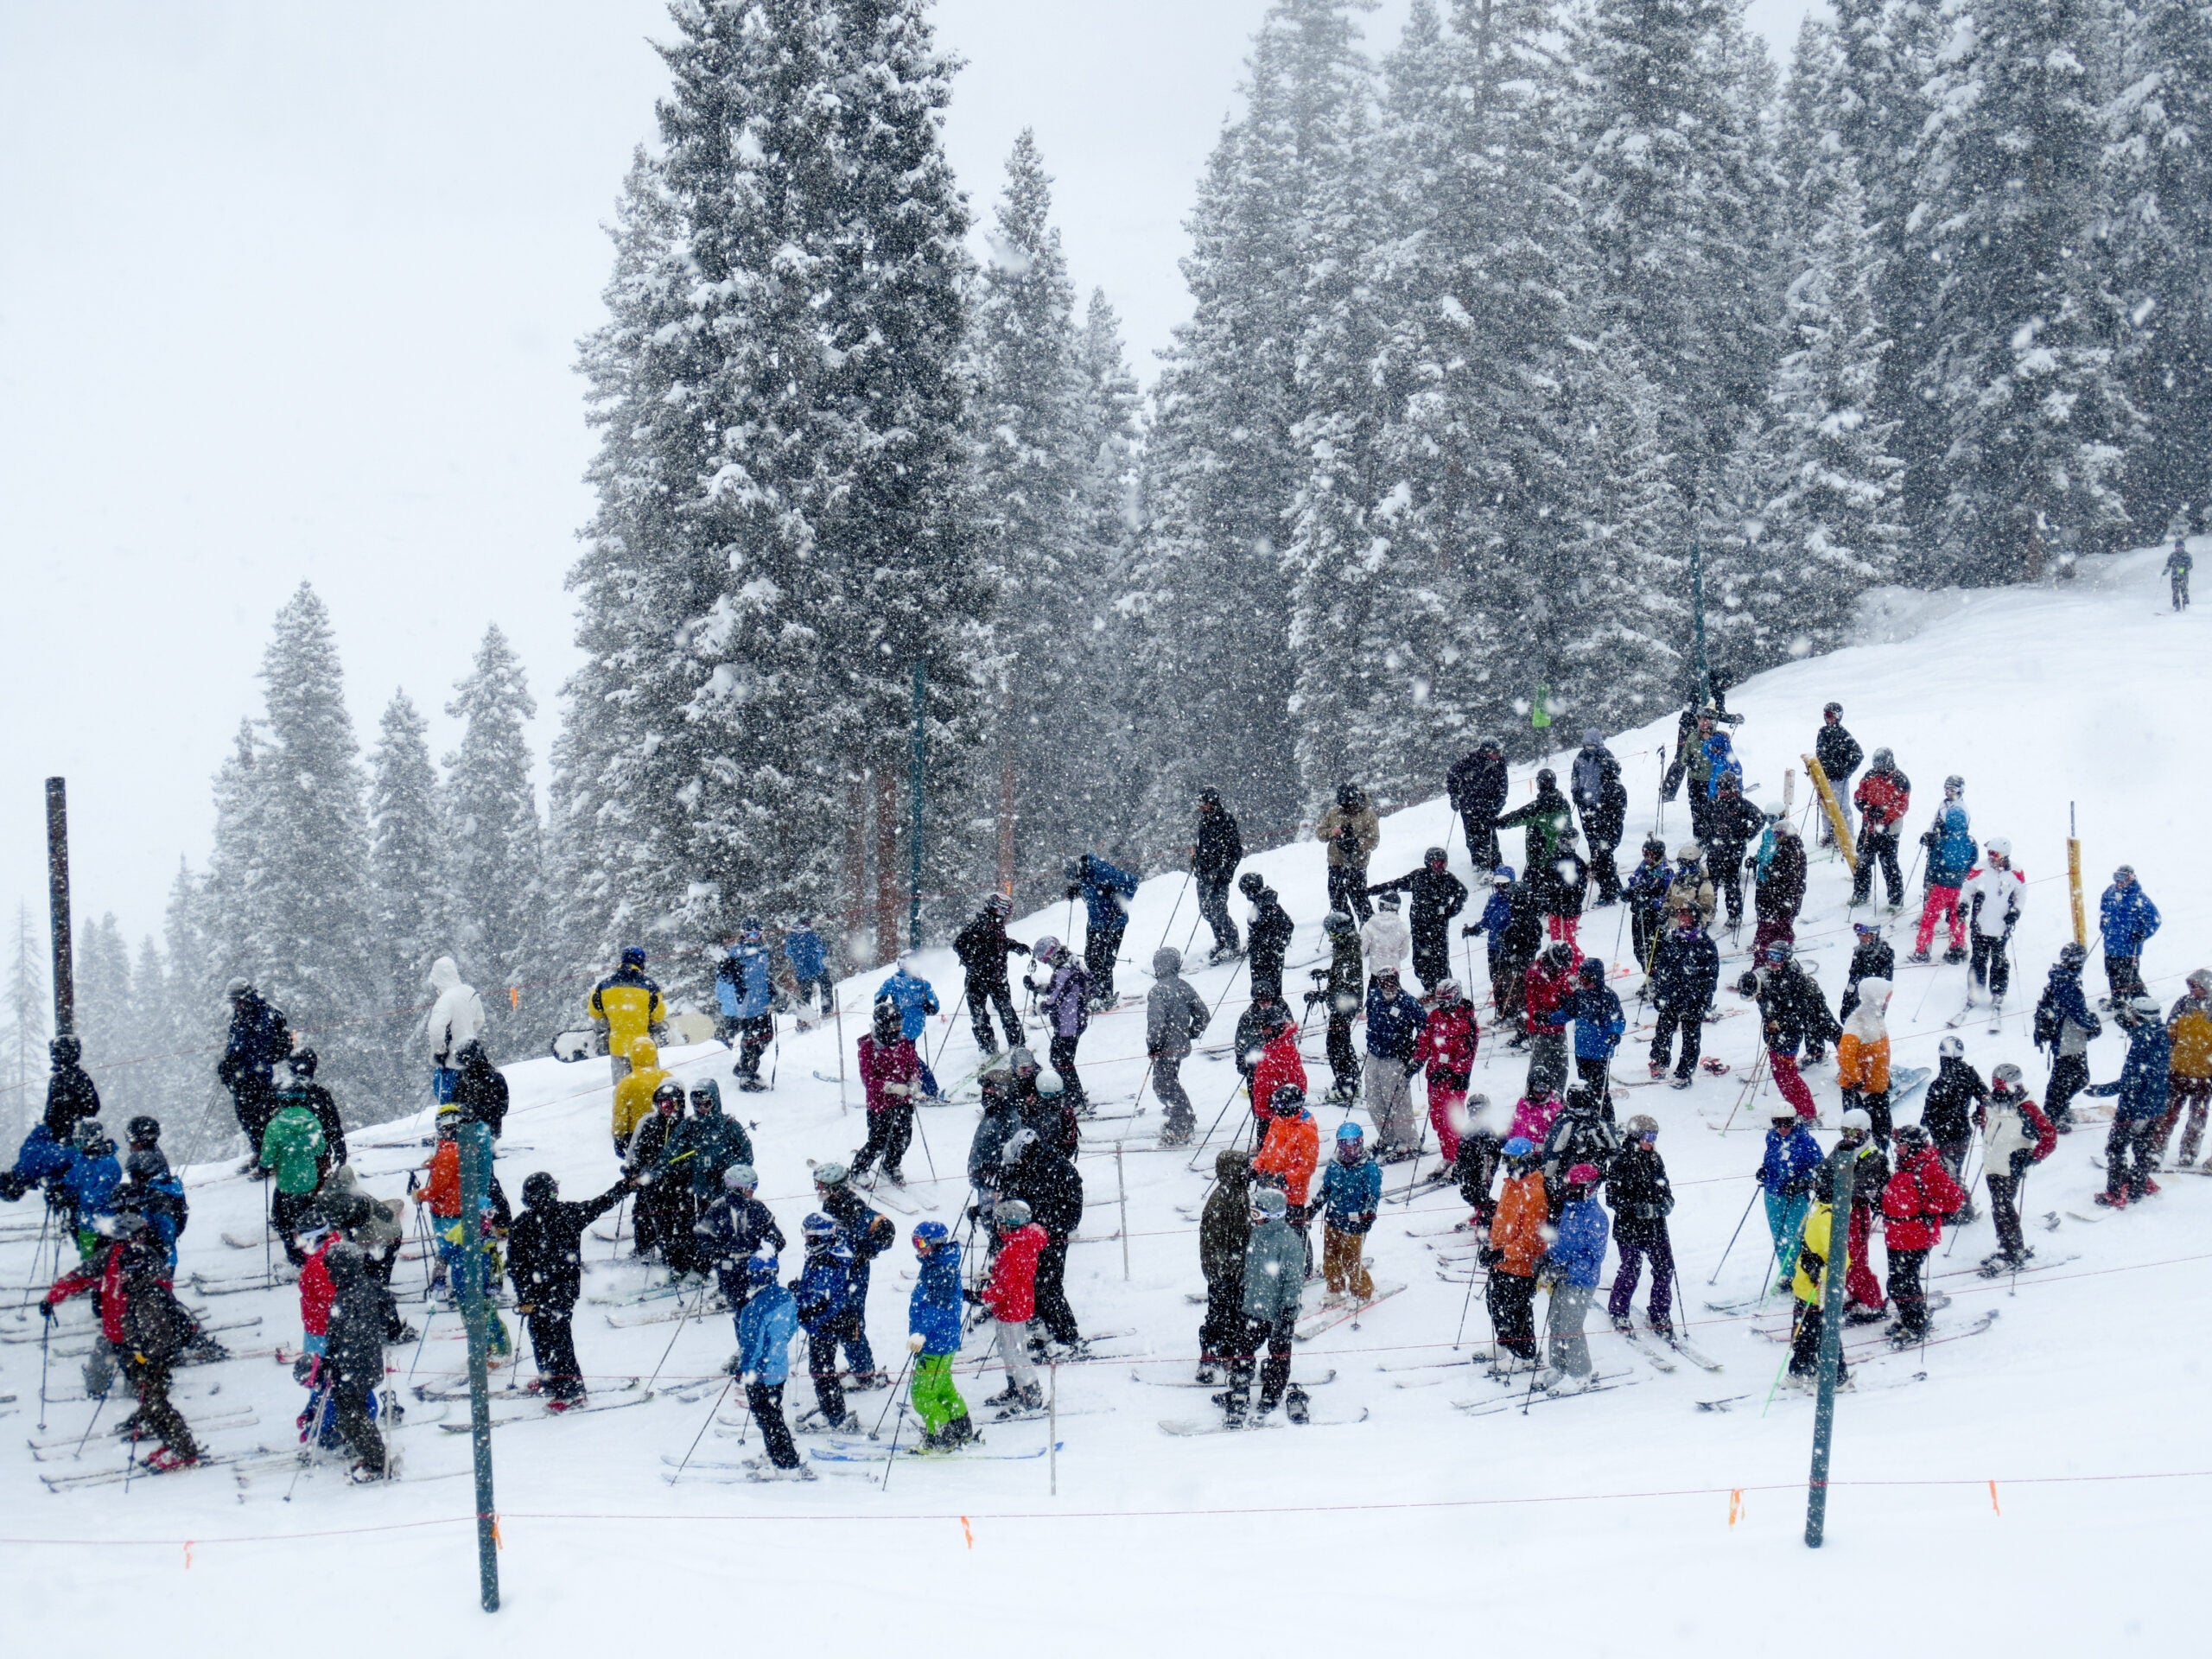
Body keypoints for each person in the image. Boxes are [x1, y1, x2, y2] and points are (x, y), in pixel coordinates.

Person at [509, 1169, 630, 1406]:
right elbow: (601, 1203)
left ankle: (571, 1390)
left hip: (550, 1293)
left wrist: (524, 1296)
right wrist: (625, 1186)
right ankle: (551, 1379)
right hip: (557, 1292)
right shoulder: (567, 1214)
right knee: (548, 1337)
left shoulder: (524, 1224)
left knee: (554, 1339)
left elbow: (517, 1268)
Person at [1223, 1185, 1307, 1426]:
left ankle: (1272, 1393)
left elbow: (1293, 1279)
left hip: (1278, 1311)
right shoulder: (1257, 1235)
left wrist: (1289, 1308)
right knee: (1243, 1348)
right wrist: (1244, 1289)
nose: (1253, 1219)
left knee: (1279, 1353)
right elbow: (1252, 1267)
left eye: (1257, 1215)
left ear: (1272, 1216)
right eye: (1252, 1214)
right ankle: (1239, 1389)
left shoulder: (1288, 1242)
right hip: (1254, 1307)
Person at [997, 1128, 1084, 1351]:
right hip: (1030, 1239)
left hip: (1051, 1240)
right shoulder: (1028, 1167)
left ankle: (1067, 1336)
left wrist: (1044, 1226)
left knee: (1049, 1288)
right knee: (1033, 1285)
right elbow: (1014, 1196)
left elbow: (1071, 1212)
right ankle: (1047, 1328)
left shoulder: (1056, 1168)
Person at [813, 1161, 897, 1389]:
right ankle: (860, 1367)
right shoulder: (832, 1204)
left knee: (850, 1321)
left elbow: (886, 1228)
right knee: (840, 1317)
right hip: (839, 1270)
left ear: (837, 1187)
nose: (818, 1190)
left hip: (853, 1274)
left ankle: (863, 1373)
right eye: (817, 1185)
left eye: (822, 1186)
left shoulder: (851, 1205)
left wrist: (866, 1251)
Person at [693, 1164, 785, 1371]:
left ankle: (761, 1349)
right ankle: (746, 1348)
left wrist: (768, 1250)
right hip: (729, 1270)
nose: (753, 1192)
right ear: (738, 1188)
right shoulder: (719, 1208)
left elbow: (776, 1238)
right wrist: (717, 1253)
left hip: (755, 1271)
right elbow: (703, 1237)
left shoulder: (757, 1208)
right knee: (740, 1312)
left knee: (759, 1312)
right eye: (751, 1188)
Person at [2087, 992, 2172, 1207]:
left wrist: (2102, 1091)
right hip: (2155, 1104)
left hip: (2134, 1106)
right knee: (2142, 1148)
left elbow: (2131, 1081)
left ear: (2138, 1016)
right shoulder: (2162, 1035)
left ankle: (2115, 1193)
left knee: (2116, 1148)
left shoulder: (2142, 1041)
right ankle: (2138, 1183)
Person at [1881, 1122, 1965, 1343]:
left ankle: (1916, 1324)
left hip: (1916, 1236)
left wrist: (1928, 1208)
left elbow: (1955, 1199)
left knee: (1903, 1282)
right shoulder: (1906, 1165)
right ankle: (1911, 1316)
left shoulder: (1928, 1168)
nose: (1897, 1148)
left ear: (1912, 1146)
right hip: (1897, 1236)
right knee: (1897, 1282)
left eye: (1901, 1145)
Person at [731, 1253, 807, 1476]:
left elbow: (751, 1345)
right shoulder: (786, 1297)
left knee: (766, 1418)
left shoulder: (754, 1308)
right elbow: (792, 1328)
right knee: (773, 1413)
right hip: (778, 1368)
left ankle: (785, 1462)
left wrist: (745, 1370)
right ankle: (777, 1452)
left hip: (760, 1373)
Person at [1535, 1163, 1608, 1394]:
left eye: (1578, 1188)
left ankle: (1580, 1373)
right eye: (1571, 1186)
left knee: (1571, 1326)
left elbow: (1594, 1257)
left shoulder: (1596, 1217)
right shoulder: (1570, 1209)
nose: (1572, 1191)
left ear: (1591, 1188)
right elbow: (1562, 1242)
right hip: (1561, 1276)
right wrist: (1548, 1258)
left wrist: (1569, 1271)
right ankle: (1559, 1366)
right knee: (1556, 1321)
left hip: (1582, 1281)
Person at [1976, 1065, 2056, 1274]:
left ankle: (2012, 1252)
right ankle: (2009, 1248)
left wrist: (2032, 1157)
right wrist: (1980, 1120)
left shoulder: (2026, 1106)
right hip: (1993, 1163)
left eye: (2001, 1086)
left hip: (2010, 1165)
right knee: (2000, 1207)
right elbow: (1990, 1126)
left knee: (2003, 1207)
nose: (1999, 1090)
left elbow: (2049, 1135)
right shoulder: (1992, 1101)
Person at [1751, 941, 1839, 1123]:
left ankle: (1807, 1114)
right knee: (1781, 1074)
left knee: (1787, 1076)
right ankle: (1797, 1108)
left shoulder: (1795, 980)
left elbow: (1800, 1014)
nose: (1772, 961)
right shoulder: (1769, 976)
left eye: (1777, 957)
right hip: (1774, 1036)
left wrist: (1779, 1022)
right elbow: (1765, 1003)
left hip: (1787, 1036)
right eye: (1770, 956)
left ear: (1786, 958)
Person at [1605, 1117, 1675, 1340]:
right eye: (1648, 1137)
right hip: (1630, 1228)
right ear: (1637, 1137)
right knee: (1631, 1269)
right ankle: (1618, 1310)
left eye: (1655, 1137)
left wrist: (1665, 1204)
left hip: (1655, 1226)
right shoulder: (1621, 1160)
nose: (1652, 1142)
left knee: (1665, 1268)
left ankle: (1659, 1313)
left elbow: (1665, 1189)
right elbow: (1612, 1198)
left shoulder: (1655, 1158)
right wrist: (1637, 1208)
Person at [906, 1221, 973, 1452]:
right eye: (914, 1242)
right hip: (944, 1339)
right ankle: (961, 1431)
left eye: (922, 1242)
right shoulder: (938, 1263)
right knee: (943, 1389)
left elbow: (938, 1307)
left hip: (935, 1342)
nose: (918, 1248)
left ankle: (941, 1439)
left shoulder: (941, 1268)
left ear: (935, 1244)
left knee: (923, 1395)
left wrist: (921, 1333)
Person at [1479, 1138, 1547, 1370]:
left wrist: (1502, 1254)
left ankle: (1524, 1355)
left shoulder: (1535, 1194)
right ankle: (1504, 1343)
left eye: (1514, 1160)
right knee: (1495, 1303)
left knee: (1517, 1312)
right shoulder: (1510, 1184)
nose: (1509, 1165)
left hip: (1521, 1267)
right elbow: (1504, 1218)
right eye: (1506, 1159)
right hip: (1502, 1260)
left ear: (1527, 1160)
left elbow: (1531, 1241)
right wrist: (1491, 1244)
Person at [791, 1213, 859, 1431]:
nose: (807, 1241)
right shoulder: (822, 1256)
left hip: (827, 1323)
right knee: (821, 1367)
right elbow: (814, 1289)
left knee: (821, 1368)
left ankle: (835, 1415)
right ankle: (830, 1407)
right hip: (823, 1321)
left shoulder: (828, 1262)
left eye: (811, 1237)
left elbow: (821, 1298)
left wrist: (803, 1308)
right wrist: (800, 1289)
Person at [217, 980, 292, 1173]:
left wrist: (248, 1059)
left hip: (264, 1077)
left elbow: (273, 1047)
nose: (236, 1005)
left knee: (265, 1118)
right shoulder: (239, 1016)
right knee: (246, 1116)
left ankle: (273, 1157)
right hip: (243, 1077)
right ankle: (259, 1153)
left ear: (247, 997)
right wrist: (228, 1063)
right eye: (233, 1002)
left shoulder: (267, 1014)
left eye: (238, 1001)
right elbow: (235, 1043)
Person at [978, 1197, 1045, 1411]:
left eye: (999, 1223)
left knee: (1015, 1352)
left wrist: (979, 1296)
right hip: (1017, 1303)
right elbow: (1013, 1278)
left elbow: (1003, 1290)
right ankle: (1016, 1388)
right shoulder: (1022, 1243)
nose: (997, 1227)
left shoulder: (1012, 1251)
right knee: (1007, 1349)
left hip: (1012, 1309)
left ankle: (1031, 1395)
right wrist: (992, 1276)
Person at [1824, 1109, 1891, 1322]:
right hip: (1838, 1209)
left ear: (1865, 1132)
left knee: (1855, 1258)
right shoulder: (1843, 1148)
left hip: (1856, 1210)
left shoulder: (1873, 1155)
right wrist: (1818, 1178)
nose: (1849, 1137)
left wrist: (1833, 1186)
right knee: (1839, 1256)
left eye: (1854, 1133)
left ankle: (1872, 1302)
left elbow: (1860, 1186)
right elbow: (1826, 1168)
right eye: (1845, 1132)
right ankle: (1855, 1293)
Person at [1784, 1184, 1848, 1389]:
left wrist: (1819, 1270)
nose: (1814, 1186)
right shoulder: (1820, 1209)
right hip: (1805, 1285)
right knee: (1804, 1331)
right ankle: (1803, 1369)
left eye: (1819, 1183)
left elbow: (1842, 1260)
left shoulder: (1829, 1216)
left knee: (1822, 1331)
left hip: (1818, 1287)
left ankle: (1838, 1377)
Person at [1362, 968, 1429, 1160]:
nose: (1388, 985)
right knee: (1374, 1100)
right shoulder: (1374, 998)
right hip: (1374, 1055)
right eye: (1384, 981)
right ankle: (1387, 1137)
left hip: (1395, 1058)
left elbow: (1425, 1029)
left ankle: (1408, 1141)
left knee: (1398, 1102)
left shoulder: (1407, 1002)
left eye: (1391, 981)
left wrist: (1414, 1053)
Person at [260, 1080, 330, 1267]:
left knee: (282, 1221)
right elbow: (320, 1148)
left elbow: (268, 1157)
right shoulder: (312, 1121)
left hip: (287, 1184)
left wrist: (265, 1165)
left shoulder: (275, 1125)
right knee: (310, 1220)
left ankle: (296, 1258)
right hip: (309, 1181)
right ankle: (313, 1255)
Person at [1253, 1084, 1320, 1274]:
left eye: (1280, 1104)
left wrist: (1286, 1179)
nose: (1276, 1108)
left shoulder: (1306, 1131)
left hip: (1293, 1194)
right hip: (1271, 1189)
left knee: (1296, 1231)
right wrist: (1256, 1168)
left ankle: (1304, 1269)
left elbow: (1308, 1166)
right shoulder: (1278, 1121)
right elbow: (1266, 1151)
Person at [1146, 947, 1211, 1145]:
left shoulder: (1158, 991)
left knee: (1164, 1086)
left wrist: (1154, 1045)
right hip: (1180, 1045)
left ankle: (1182, 1123)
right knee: (1169, 1081)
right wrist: (1191, 1032)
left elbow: (1156, 1023)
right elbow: (1203, 1014)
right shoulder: (1183, 986)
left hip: (1165, 1047)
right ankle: (1182, 1117)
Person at [1648, 906, 1719, 1088]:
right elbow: (1662, 968)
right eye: (1679, 914)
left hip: (1693, 998)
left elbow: (1711, 976)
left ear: (1694, 918)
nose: (1681, 918)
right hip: (1671, 995)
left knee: (1691, 1037)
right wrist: (1659, 992)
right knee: (1663, 1030)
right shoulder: (1672, 939)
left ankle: (1685, 1071)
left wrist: (1705, 1001)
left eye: (1685, 915)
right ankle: (1660, 1061)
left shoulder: (1705, 943)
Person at [1198, 1148, 1252, 1383]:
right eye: (1243, 1167)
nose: (1248, 1172)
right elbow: (1212, 1242)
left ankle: (1229, 1351)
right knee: (1219, 1312)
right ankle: (1210, 1353)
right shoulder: (1221, 1200)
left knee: (1236, 1313)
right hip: (1223, 1271)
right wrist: (1223, 1269)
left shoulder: (1239, 1193)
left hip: (1237, 1268)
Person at [852, 999, 921, 1185]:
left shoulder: (904, 1042)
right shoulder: (868, 1046)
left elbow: (913, 1065)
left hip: (903, 1100)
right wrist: (890, 1087)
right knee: (878, 1141)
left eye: (898, 1025)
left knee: (903, 1138)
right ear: (881, 1025)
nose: (896, 1030)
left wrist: (914, 1081)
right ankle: (858, 1170)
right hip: (880, 1104)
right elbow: (868, 1078)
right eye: (891, 1026)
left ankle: (891, 1165)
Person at [2034, 942, 2101, 1133]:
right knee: (2073, 1078)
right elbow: (2077, 1012)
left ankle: (2057, 1109)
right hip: (2068, 1039)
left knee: (2068, 1077)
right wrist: (2093, 1025)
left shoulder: (2062, 977)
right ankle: (2054, 1114)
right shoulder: (2068, 982)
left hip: (2066, 1037)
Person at [1909, 776, 1975, 963]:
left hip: (1942, 882)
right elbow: (1972, 862)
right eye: (1946, 788)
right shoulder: (1970, 841)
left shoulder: (1960, 809)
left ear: (1961, 790)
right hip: (1958, 884)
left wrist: (1931, 880)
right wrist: (1930, 833)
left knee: (1930, 917)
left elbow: (1936, 863)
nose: (1948, 791)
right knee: (1957, 916)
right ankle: (1957, 947)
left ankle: (1922, 950)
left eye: (1953, 789)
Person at [626, 1081, 692, 1269]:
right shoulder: (649, 1124)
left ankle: (674, 1253)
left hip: (678, 1184)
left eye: (672, 1104)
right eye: (663, 1104)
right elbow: (637, 1151)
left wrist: (680, 1171)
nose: (667, 1109)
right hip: (650, 1182)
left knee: (675, 1219)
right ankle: (644, 1247)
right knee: (643, 1214)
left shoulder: (686, 1126)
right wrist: (633, 1169)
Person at [1758, 1108, 1825, 1287]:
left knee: (1795, 1236)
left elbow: (1821, 1170)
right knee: (1779, 1235)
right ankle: (1787, 1274)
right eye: (1777, 1123)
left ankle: (1800, 1274)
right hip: (1773, 1193)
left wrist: (1803, 1182)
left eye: (1786, 1122)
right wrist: (1764, 1171)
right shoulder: (1772, 1138)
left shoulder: (1806, 1142)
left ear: (1794, 1121)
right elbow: (1772, 1161)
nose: (1782, 1128)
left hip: (1795, 1197)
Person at [953, 894, 1028, 1055]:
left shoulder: (997, 924)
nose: (1009, 915)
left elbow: (998, 944)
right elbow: (959, 945)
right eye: (1008, 911)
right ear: (998, 909)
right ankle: (988, 1048)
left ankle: (1017, 1045)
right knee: (980, 1016)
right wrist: (972, 962)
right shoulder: (981, 924)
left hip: (997, 978)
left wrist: (1015, 946)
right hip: (977, 979)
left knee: (1006, 1012)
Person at [1317, 1122, 1382, 1306]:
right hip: (1334, 1216)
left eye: (1353, 1142)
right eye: (1344, 1143)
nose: (1349, 1147)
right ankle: (1335, 1288)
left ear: (1360, 1142)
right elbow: (1327, 1188)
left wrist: (1368, 1214)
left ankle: (1362, 1291)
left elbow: (1373, 1194)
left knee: (1351, 1258)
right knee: (1330, 1254)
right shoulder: (1335, 1164)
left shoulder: (1368, 1167)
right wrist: (1314, 1206)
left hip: (1355, 1219)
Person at [1026, 937, 1092, 1114]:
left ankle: (1074, 1098)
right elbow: (1060, 989)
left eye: (1046, 960)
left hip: (1069, 1024)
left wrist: (1039, 1008)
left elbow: (1055, 999)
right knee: (1061, 1059)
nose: (1047, 964)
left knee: (1061, 1060)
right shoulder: (1072, 963)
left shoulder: (1065, 970)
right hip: (1074, 1020)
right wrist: (1038, 987)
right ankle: (1073, 1093)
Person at [1065, 852, 1139, 1007]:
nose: (1078, 880)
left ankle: (1104, 995)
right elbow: (1089, 887)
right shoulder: (1084, 875)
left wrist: (1118, 897)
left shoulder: (1101, 870)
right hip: (1095, 922)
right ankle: (1094, 995)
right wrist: (1077, 889)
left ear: (1080, 868)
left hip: (1113, 923)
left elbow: (1132, 881)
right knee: (1092, 960)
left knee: (1105, 962)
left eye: (1077, 877)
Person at [1416, 978, 1478, 1162]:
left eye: (1446, 1001)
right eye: (1440, 1002)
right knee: (1437, 1119)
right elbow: (1425, 1040)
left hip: (1455, 1081)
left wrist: (1451, 1070)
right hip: (1435, 1077)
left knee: (1451, 1122)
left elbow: (1468, 1056)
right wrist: (1418, 1059)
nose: (1442, 1006)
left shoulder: (1467, 1022)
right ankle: (1448, 1157)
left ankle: (1457, 1159)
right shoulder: (1435, 1017)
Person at [1308, 909, 1365, 1103]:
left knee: (1336, 1046)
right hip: (1344, 1004)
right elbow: (1342, 975)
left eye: (1332, 933)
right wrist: (1328, 974)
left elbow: (1346, 984)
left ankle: (1346, 1086)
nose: (1330, 938)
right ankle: (1351, 1081)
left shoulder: (1347, 949)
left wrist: (1323, 995)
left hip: (1344, 1006)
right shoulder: (1346, 944)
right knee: (1342, 1043)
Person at [1921, 1035, 1986, 1201]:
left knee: (1947, 1174)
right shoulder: (1969, 1073)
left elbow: (1928, 1113)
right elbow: (1986, 1097)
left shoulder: (1939, 1083)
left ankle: (1958, 1208)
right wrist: (1980, 1111)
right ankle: (1959, 1205)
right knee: (1953, 1171)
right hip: (1961, 1131)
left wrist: (1921, 1133)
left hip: (1943, 1134)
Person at [1962, 837, 2024, 1010]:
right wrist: (1963, 904)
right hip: (1980, 924)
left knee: (1999, 960)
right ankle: (1975, 991)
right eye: (1989, 853)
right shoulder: (1979, 869)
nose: (1991, 858)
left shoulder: (2016, 872)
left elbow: (2021, 895)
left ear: (2004, 855)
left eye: (1994, 854)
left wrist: (2015, 912)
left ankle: (1998, 992)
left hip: (2001, 926)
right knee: (1978, 959)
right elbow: (1967, 889)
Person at [588, 946, 665, 1083]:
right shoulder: (650, 986)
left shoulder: (603, 986)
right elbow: (658, 1016)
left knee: (623, 1091)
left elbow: (594, 1012)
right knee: (650, 1087)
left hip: (618, 1047)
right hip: (644, 1047)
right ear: (641, 963)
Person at [1835, 976, 1894, 1145]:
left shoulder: (1876, 1017)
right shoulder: (1857, 1021)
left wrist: (1883, 1077)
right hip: (1861, 1092)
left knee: (1883, 1132)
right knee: (1862, 1140)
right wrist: (1857, 1079)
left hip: (1877, 1088)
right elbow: (1845, 1054)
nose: (1887, 1001)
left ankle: (1879, 1167)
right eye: (1886, 997)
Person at [1703, 775, 1765, 937]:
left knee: (1731, 885)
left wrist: (1746, 836)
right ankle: (1709, 912)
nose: (1722, 792)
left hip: (1733, 851)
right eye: (1720, 788)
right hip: (1715, 850)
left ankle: (1735, 915)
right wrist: (1709, 838)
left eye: (1725, 788)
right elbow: (1706, 822)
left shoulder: (1741, 804)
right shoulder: (1713, 803)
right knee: (1711, 885)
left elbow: (1760, 818)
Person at [1850, 750, 1912, 908]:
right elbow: (1859, 795)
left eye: (1880, 764)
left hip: (1889, 829)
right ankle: (1861, 893)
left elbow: (1902, 806)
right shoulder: (1870, 775)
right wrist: (1864, 806)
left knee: (1889, 864)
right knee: (1863, 861)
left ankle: (1896, 900)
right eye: (1875, 764)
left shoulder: (1900, 779)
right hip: (1869, 826)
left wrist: (1884, 812)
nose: (1878, 767)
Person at [719, 922, 778, 1089]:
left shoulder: (764, 950)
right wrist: (727, 970)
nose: (753, 937)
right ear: (743, 934)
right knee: (753, 1039)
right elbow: (726, 978)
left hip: (763, 1002)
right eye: (749, 934)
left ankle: (745, 1067)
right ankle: (747, 1075)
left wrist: (772, 990)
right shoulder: (737, 953)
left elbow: (765, 975)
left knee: (766, 1037)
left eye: (757, 933)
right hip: (748, 1004)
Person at [2163, 970, 2212, 1166]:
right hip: (2178, 1071)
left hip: (2205, 1075)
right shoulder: (2182, 1003)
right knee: (2167, 1114)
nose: (2193, 990)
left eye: (2197, 986)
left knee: (2197, 1118)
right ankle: (2155, 1150)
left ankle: (2188, 1153)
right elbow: (2170, 1031)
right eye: (2191, 986)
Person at [1192, 789, 1246, 963]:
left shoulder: (1225, 819)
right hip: (1204, 873)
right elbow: (1203, 846)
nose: (1200, 807)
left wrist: (1224, 872)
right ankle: (1221, 941)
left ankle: (1233, 944)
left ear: (1212, 802)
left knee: (1218, 910)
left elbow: (1235, 851)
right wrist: (1196, 859)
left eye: (1203, 803)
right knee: (1206, 910)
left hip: (1219, 875)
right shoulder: (1204, 820)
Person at [1316, 783, 1382, 924]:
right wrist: (1331, 832)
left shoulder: (1367, 815)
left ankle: (1370, 935)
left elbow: (1374, 840)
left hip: (1357, 865)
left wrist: (1357, 843)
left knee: (1361, 902)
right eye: (1344, 805)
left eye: (1350, 805)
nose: (1347, 809)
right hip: (1336, 865)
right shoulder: (1334, 812)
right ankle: (1346, 936)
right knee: (1337, 903)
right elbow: (1320, 833)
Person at [425, 956, 486, 1105]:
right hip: (472, 1059)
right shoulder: (469, 992)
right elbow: (480, 1019)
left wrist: (440, 1051)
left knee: (449, 1103)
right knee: (472, 1100)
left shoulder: (445, 1001)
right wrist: (467, 1034)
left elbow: (435, 1030)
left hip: (451, 1063)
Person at [1522, 941, 1577, 1101]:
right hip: (1541, 1029)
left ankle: (1557, 1098)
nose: (1563, 968)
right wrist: (1563, 997)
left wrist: (1568, 995)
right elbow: (1547, 1000)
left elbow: (1566, 990)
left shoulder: (1559, 968)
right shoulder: (1535, 972)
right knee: (1539, 1068)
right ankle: (1533, 1098)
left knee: (1561, 1066)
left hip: (1558, 1026)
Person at [1496, 768, 1576, 878]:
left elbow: (1516, 817)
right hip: (1564, 856)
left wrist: (1498, 822)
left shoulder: (1538, 807)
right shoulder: (1564, 803)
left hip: (1541, 860)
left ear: (1539, 784)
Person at [1570, 957, 1624, 1115]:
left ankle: (1606, 1119)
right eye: (1580, 979)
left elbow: (1618, 1019)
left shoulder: (1608, 997)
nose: (1583, 983)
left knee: (1600, 1091)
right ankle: (1586, 1117)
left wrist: (1615, 1033)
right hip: (1582, 1051)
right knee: (1584, 1088)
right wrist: (1548, 1019)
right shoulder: (1579, 995)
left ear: (1596, 978)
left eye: (1586, 980)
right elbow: (1568, 1012)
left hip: (1600, 1052)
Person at [2099, 865, 2160, 1003]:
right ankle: (2118, 999)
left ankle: (2141, 1000)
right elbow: (2104, 905)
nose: (2118, 882)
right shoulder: (2110, 892)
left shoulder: (2139, 898)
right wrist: (2104, 920)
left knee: (2130, 975)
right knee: (2113, 973)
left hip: (2129, 947)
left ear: (2131, 877)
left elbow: (2155, 919)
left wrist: (2143, 933)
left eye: (2122, 878)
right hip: (2111, 944)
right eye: (2116, 877)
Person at [1447, 739, 1510, 870]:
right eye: (1496, 752)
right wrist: (1454, 796)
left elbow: (1503, 788)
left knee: (1490, 836)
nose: (1499, 754)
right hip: (1468, 806)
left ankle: (1496, 866)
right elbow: (1452, 775)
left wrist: (1497, 806)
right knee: (1472, 838)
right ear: (1487, 752)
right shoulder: (1469, 761)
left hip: (1488, 807)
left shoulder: (1499, 763)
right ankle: (1479, 866)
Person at [1752, 810, 1806, 959]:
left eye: (1777, 835)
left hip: (1782, 898)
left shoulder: (1787, 851)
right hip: (1787, 898)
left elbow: (1787, 877)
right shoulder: (1794, 848)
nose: (1775, 838)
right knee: (1780, 925)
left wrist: (1771, 873)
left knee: (1775, 925)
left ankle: (1768, 952)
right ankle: (1773, 947)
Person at [1532, 827, 1590, 959]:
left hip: (1570, 912)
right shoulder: (1553, 861)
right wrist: (1547, 902)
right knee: (1556, 942)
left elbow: (1580, 889)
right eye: (1563, 842)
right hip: (1555, 910)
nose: (1565, 846)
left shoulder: (1577, 863)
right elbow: (1546, 883)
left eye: (1570, 843)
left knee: (1568, 942)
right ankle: (1559, 967)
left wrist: (1571, 903)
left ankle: (1575, 965)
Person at [607, 1036, 667, 1161]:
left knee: (640, 1173)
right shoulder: (667, 1078)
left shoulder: (626, 1084)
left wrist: (619, 1137)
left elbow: (620, 1114)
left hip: (637, 1136)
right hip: (667, 1133)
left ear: (632, 1056)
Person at [1249, 1001, 1308, 1126]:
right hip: (1266, 1112)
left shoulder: (1284, 1050)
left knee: (1274, 1144)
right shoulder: (1272, 1045)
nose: (1261, 1031)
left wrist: (1279, 1103)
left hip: (1275, 1115)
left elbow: (1298, 1083)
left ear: (1274, 1027)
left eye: (1264, 1027)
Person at [1584, 752, 1630, 906]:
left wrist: (1598, 822)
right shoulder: (1615, 788)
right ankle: (1614, 887)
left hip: (1607, 830)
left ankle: (1609, 892)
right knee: (1605, 859)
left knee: (1603, 861)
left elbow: (1608, 812)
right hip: (1611, 830)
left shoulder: (1608, 789)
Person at [1451, 1094, 1503, 1231]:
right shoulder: (1469, 1128)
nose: (1476, 1115)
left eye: (1479, 1111)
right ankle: (1482, 1211)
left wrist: (1485, 1178)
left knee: (1480, 1193)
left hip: (1483, 1169)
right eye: (1473, 1111)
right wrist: (1458, 1167)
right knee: (1467, 1192)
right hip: (1469, 1166)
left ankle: (1491, 1214)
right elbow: (1462, 1150)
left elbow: (1490, 1158)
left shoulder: (1488, 1132)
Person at [1241, 873, 1296, 1001]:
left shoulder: (1268, 904)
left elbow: (1287, 926)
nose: (1246, 896)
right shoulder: (1260, 902)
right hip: (1260, 953)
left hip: (1269, 955)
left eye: (1246, 891)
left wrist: (1270, 942)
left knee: (1270, 992)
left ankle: (1275, 1017)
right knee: (1260, 991)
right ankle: (1264, 1015)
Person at [1814, 702, 1862, 848]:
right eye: (1826, 716)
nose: (1829, 719)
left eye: (1831, 716)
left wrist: (1845, 771)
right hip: (1823, 778)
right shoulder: (1822, 732)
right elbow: (1820, 753)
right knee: (1824, 806)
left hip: (1839, 780)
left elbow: (1858, 754)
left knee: (1842, 807)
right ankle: (1829, 833)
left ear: (1838, 716)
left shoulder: (1843, 734)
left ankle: (1846, 835)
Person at [1624, 838, 1674, 972]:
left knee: (1655, 949)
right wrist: (1630, 892)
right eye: (1645, 854)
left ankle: (1657, 977)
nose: (1647, 858)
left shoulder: (1665, 871)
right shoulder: (1644, 866)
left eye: (1650, 855)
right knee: (1640, 948)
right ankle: (1649, 975)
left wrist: (1649, 899)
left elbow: (1667, 898)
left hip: (1655, 917)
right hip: (1640, 913)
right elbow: (1635, 880)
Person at [1838, 921, 1896, 1022]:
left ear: (1874, 935)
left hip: (1872, 1002)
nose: (1861, 938)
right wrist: (1848, 1000)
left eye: (1864, 935)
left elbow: (1884, 985)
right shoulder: (1859, 951)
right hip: (1855, 997)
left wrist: (1876, 1006)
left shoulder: (1884, 954)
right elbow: (1853, 977)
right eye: (1859, 935)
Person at [783, 916, 834, 1027]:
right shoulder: (812, 935)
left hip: (801, 972)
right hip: (817, 968)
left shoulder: (792, 937)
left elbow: (787, 952)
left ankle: (803, 1022)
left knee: (805, 996)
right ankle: (827, 1010)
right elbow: (822, 950)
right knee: (826, 987)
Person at [1358, 889, 1412, 987]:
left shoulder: (1369, 925)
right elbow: (1404, 953)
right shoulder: (1402, 928)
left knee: (1374, 1000)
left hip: (1376, 973)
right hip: (1393, 973)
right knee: (1394, 999)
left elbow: (1361, 950)